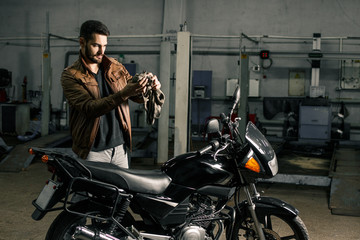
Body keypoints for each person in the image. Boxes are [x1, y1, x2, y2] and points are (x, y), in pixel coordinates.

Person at [61, 20, 161, 168]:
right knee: (91, 191)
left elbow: (135, 96)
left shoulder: (115, 66)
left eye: (104, 46)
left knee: (121, 191)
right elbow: (89, 108)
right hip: (92, 151)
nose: (102, 52)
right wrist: (123, 94)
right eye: (96, 45)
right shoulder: (71, 75)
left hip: (120, 149)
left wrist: (148, 88)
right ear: (82, 42)